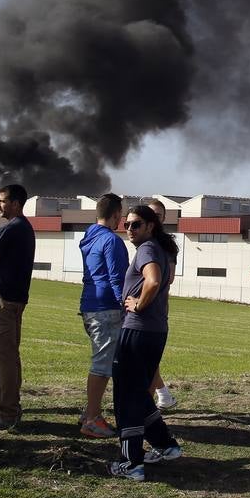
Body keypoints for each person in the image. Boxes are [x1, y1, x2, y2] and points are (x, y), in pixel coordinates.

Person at [109, 205, 182, 481]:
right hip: (154, 331)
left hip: (138, 330)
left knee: (127, 396)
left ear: (151, 225)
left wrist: (138, 305)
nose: (129, 229)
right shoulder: (161, 247)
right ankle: (165, 445)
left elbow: (153, 281)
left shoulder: (148, 249)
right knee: (139, 392)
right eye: (127, 224)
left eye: (135, 224)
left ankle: (131, 463)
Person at [0, 183, 36, 431]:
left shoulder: (9, 229)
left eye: (1, 201)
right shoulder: (25, 228)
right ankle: (8, 406)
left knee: (2, 356)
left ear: (15, 203)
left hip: (2, 299)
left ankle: (7, 413)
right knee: (8, 355)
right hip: (15, 299)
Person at [77, 193, 128, 438]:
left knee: (104, 360)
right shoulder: (112, 241)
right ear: (116, 214)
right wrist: (126, 305)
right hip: (106, 308)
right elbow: (117, 278)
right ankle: (92, 419)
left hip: (89, 305)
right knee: (102, 365)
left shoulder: (89, 235)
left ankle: (90, 412)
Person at [147, 198, 177, 410]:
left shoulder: (167, 244)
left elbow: (169, 277)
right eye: (151, 214)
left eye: (158, 215)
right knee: (146, 358)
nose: (154, 218)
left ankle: (152, 401)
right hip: (142, 306)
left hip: (155, 306)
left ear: (164, 218)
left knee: (148, 357)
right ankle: (162, 395)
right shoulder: (143, 239)